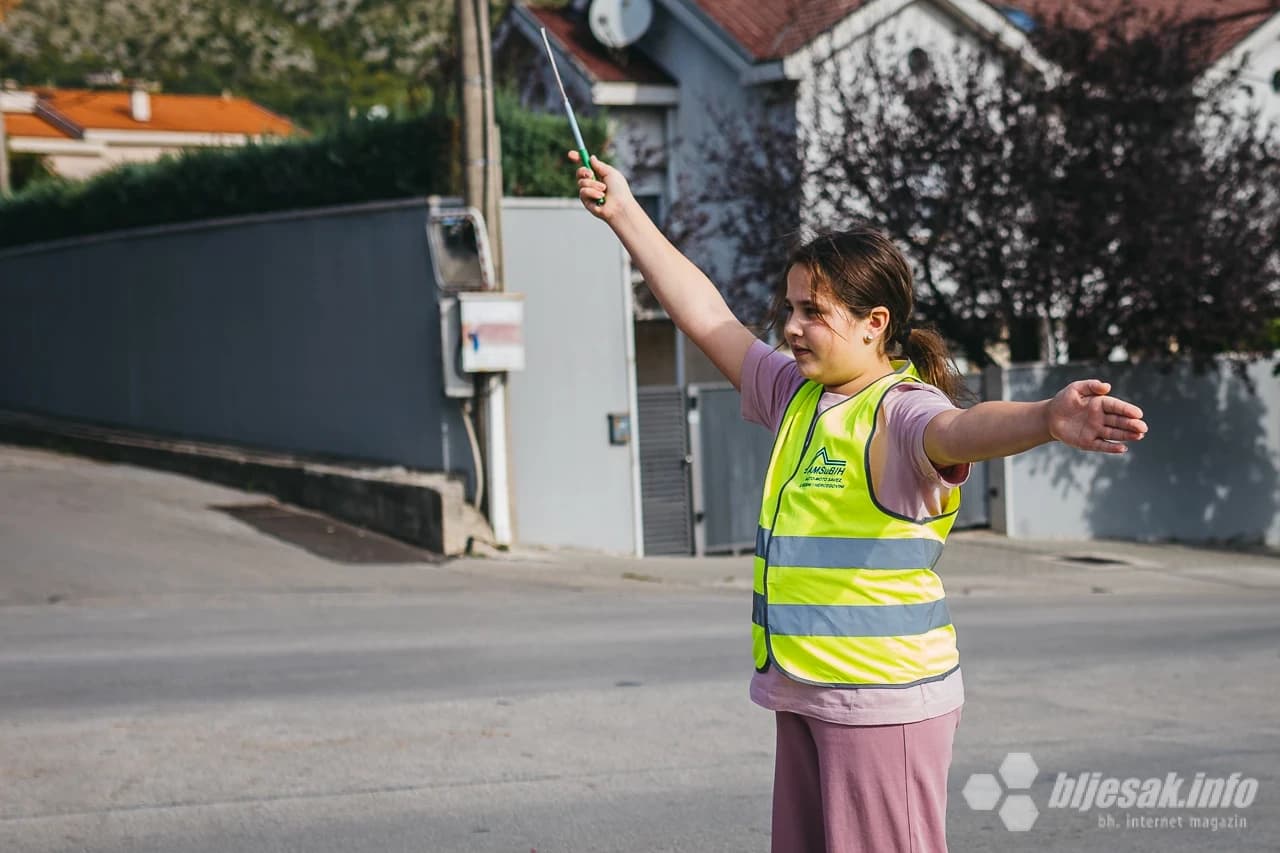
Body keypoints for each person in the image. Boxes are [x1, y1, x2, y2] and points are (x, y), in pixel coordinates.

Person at [569, 151, 1148, 853]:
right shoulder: (795, 394)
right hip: (806, 686)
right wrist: (626, 213)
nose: (790, 325)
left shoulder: (901, 410)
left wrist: (1044, 418)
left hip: (881, 701)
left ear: (875, 322)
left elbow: (962, 428)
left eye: (814, 312)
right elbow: (706, 316)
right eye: (790, 307)